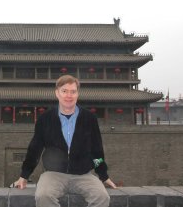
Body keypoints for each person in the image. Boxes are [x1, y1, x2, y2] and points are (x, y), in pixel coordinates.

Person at [13, 75, 116, 207]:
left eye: (73, 91)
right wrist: (24, 175)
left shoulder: (89, 118)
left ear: (77, 94)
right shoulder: (45, 119)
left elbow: (97, 151)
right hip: (53, 174)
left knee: (102, 197)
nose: (69, 95)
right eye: (64, 91)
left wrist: (103, 174)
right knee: (43, 196)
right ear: (57, 93)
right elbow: (35, 149)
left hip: (83, 174)